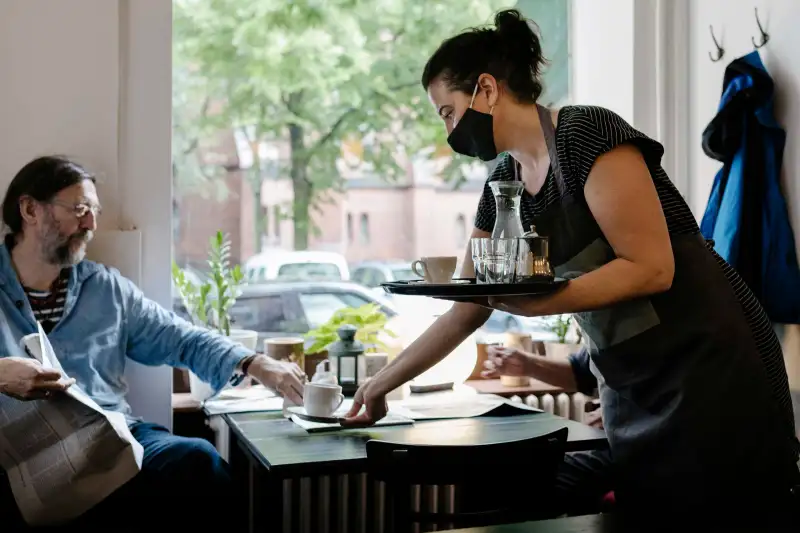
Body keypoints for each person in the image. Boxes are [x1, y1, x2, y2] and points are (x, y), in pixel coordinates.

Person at [344, 8, 800, 522]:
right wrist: (380, 384)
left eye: (447, 111)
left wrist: (540, 303)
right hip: (633, 385)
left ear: (487, 90)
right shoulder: (503, 186)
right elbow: (466, 305)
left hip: (713, 365)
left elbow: (652, 268)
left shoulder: (586, 133)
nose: (449, 130)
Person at [0, 155, 306, 531]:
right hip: (21, 460)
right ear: (30, 209)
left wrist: (254, 363)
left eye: (93, 211)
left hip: (110, 444)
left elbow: (181, 337)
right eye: (80, 209)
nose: (92, 224)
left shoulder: (107, 289)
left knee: (197, 461)